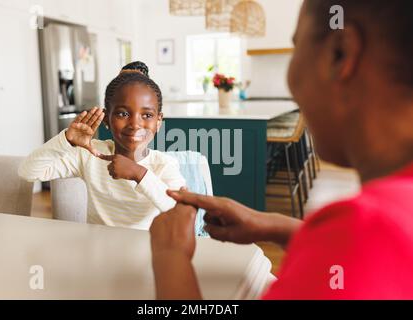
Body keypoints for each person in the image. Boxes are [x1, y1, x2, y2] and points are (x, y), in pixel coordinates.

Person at [150, 0, 413, 299]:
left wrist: (169, 255)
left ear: (340, 54)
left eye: (296, 45)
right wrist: (275, 226)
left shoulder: (363, 233)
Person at [19, 61, 186, 230]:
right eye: (123, 113)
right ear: (106, 119)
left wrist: (139, 173)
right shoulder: (90, 154)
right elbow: (28, 171)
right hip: (97, 248)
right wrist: (65, 141)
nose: (135, 124)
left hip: (144, 251)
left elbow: (181, 211)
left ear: (158, 122)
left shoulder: (164, 164)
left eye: (147, 115)